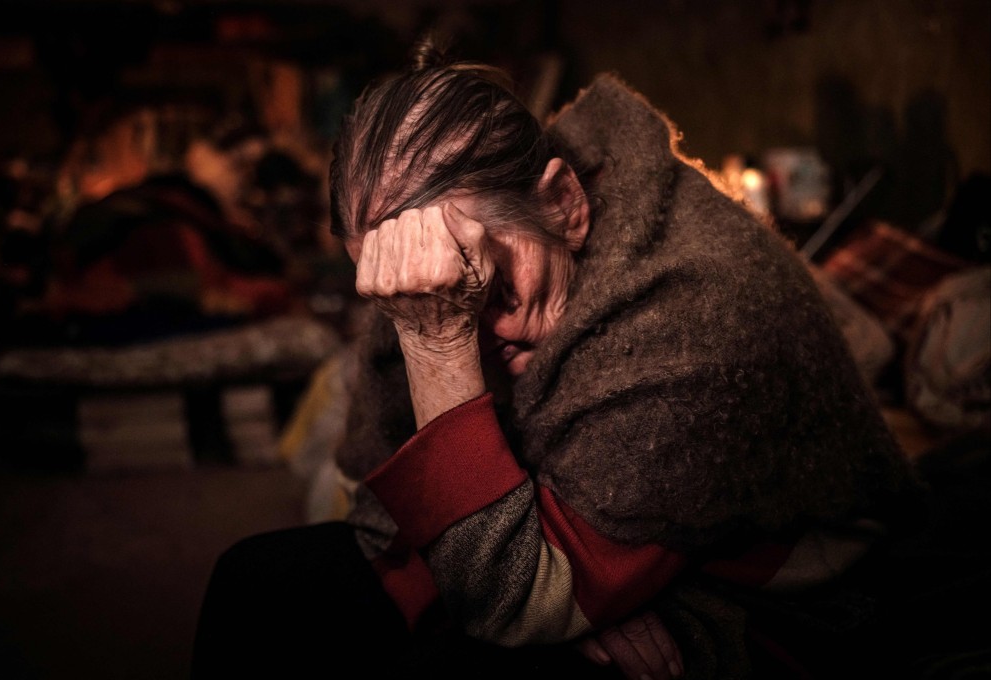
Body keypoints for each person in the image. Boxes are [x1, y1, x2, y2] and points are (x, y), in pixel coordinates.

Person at [192, 42, 923, 680]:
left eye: (491, 291)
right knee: (255, 583)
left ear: (566, 203)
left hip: (763, 596)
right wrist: (566, 600)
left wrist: (438, 346)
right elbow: (379, 506)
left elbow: (499, 602)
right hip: (556, 538)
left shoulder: (698, 315)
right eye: (421, 304)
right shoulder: (435, 270)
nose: (463, 329)